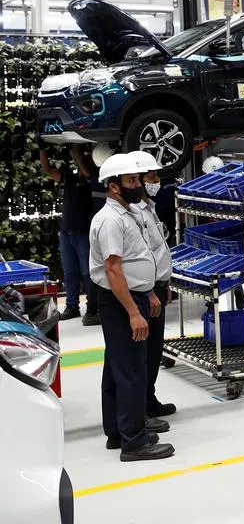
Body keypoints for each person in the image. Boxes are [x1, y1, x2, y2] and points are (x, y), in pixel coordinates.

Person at [89, 153, 173, 461]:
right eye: (132, 181)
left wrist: (148, 292)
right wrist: (134, 312)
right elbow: (113, 269)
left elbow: (138, 259)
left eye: (138, 180)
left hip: (130, 296)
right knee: (131, 371)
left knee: (117, 368)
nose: (139, 185)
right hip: (121, 301)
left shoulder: (125, 214)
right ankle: (134, 442)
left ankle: (118, 431)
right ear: (114, 187)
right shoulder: (112, 220)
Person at [131, 151, 177, 419]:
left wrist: (165, 283)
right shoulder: (135, 212)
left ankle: (149, 398)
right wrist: (149, 291)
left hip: (157, 287)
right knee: (143, 352)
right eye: (152, 175)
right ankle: (141, 408)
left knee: (154, 348)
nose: (156, 180)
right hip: (145, 291)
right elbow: (138, 257)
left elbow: (158, 251)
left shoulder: (149, 207)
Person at [40, 145, 100, 325]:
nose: (80, 159)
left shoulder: (94, 178)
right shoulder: (69, 178)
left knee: (88, 272)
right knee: (70, 273)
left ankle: (92, 307)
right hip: (66, 233)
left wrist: (76, 151)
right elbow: (48, 170)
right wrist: (42, 149)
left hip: (83, 232)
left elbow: (84, 167)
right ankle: (72, 306)